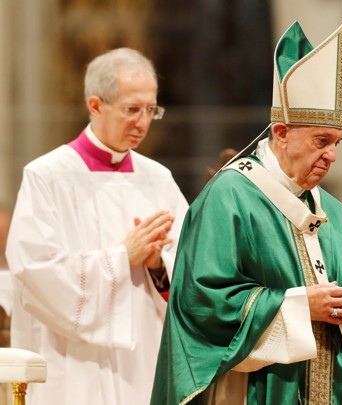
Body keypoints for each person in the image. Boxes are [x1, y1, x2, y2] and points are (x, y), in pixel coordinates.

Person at [151, 22, 342, 404]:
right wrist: (298, 306)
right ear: (281, 133)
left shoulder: (338, 216)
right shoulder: (229, 197)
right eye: (321, 141)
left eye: (337, 142)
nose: (332, 155)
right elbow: (203, 302)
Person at [5, 47, 188, 405]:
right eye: (132, 109)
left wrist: (157, 266)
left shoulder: (158, 179)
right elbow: (34, 270)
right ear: (95, 105)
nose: (143, 121)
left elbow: (189, 264)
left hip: (142, 358)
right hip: (73, 361)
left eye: (151, 110)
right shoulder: (47, 176)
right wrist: (122, 257)